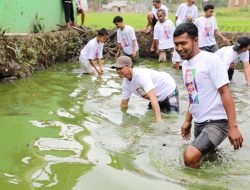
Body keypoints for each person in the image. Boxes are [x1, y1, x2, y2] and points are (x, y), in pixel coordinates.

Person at [173, 23, 243, 168]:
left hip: (217, 122)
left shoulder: (211, 60)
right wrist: (187, 121)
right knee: (207, 160)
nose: (179, 48)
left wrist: (233, 126)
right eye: (176, 44)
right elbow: (193, 94)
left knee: (190, 157)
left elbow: (225, 92)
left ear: (195, 40)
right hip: (199, 122)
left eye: (183, 43)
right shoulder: (186, 64)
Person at [111, 56, 179, 122]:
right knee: (149, 116)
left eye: (120, 68)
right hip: (156, 96)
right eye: (117, 69)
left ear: (129, 66)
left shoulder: (141, 76)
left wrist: (159, 120)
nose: (118, 71)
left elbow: (153, 97)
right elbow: (124, 104)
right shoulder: (125, 84)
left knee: (172, 117)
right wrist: (121, 118)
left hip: (168, 89)